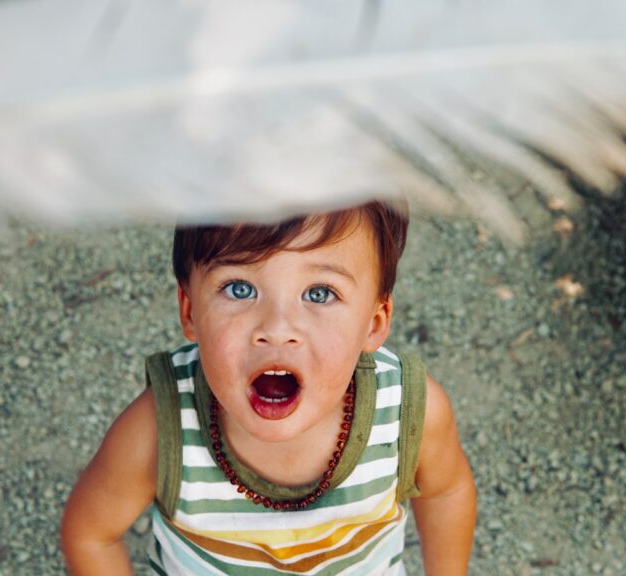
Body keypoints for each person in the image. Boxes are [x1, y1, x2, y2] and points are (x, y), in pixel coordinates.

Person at [60, 200, 477, 575]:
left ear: (374, 322)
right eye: (240, 289)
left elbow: (446, 491)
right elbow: (91, 532)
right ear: (190, 311)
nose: (277, 330)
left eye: (319, 292)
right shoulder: (159, 430)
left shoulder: (407, 413)